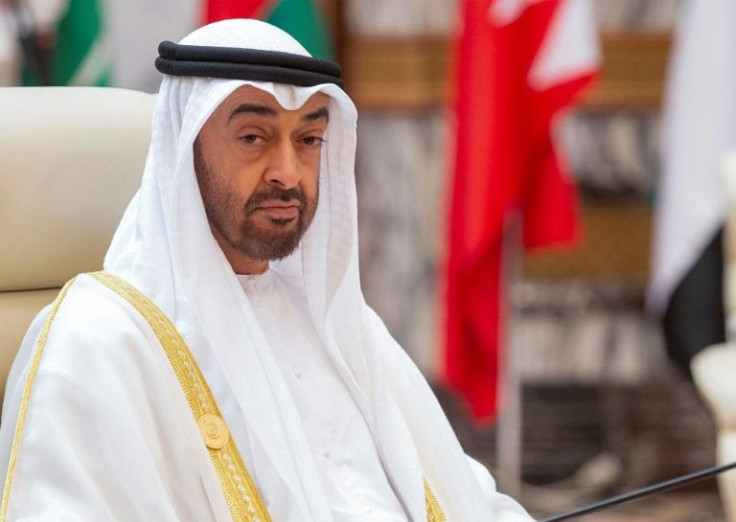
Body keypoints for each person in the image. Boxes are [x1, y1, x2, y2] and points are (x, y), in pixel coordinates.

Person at [0, 19, 534, 521]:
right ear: (185, 149)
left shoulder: (343, 331)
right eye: (253, 137)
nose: (288, 172)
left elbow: (465, 495)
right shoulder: (100, 340)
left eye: (307, 140)